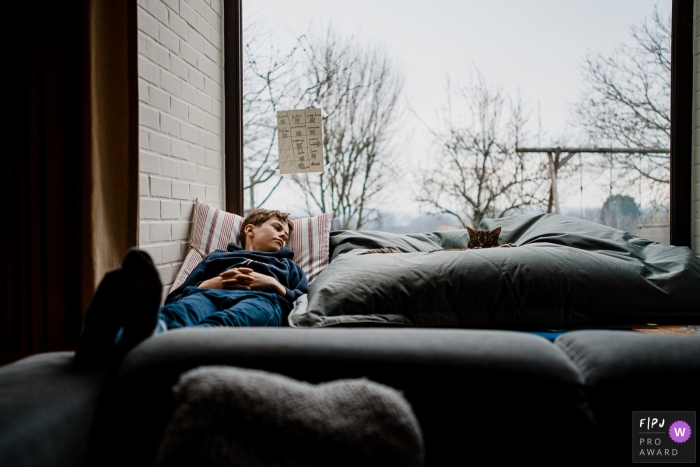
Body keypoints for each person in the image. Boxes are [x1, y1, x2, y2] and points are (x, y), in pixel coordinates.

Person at [74, 209, 308, 368]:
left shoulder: (288, 266)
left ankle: (133, 345)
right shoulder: (218, 258)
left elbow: (306, 301)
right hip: (207, 293)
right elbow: (176, 296)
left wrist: (274, 285)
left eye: (286, 235)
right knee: (183, 312)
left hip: (261, 299)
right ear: (249, 230)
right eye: (277, 228)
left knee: (232, 320)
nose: (282, 235)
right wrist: (209, 283)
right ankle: (118, 337)